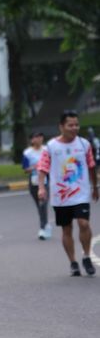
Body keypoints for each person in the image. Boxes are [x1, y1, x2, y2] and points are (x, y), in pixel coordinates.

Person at [37, 110, 98, 276]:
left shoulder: (84, 144)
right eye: (70, 125)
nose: (75, 128)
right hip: (61, 196)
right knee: (67, 229)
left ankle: (86, 256)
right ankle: (73, 262)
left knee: (83, 223)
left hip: (81, 193)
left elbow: (91, 166)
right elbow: (42, 168)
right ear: (61, 126)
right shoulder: (51, 146)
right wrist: (41, 187)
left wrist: (95, 187)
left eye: (77, 125)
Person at [22, 131, 51, 240]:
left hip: (45, 181)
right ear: (32, 140)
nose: (38, 139)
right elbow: (25, 169)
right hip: (33, 181)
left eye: (40, 137)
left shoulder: (47, 150)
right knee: (39, 205)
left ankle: (43, 228)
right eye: (36, 137)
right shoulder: (27, 153)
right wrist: (35, 167)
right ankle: (46, 224)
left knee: (43, 203)